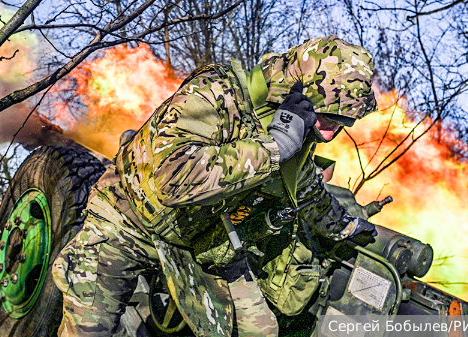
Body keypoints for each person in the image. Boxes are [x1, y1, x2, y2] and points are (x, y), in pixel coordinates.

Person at [52, 35, 378, 337]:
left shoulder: (296, 135)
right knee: (90, 330)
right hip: (128, 222)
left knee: (261, 330)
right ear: (300, 91)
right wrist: (273, 148)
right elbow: (172, 178)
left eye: (343, 123)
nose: (331, 133)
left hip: (196, 246)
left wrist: (347, 227)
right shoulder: (218, 91)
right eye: (329, 117)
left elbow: (310, 195)